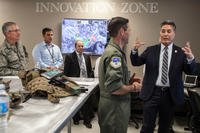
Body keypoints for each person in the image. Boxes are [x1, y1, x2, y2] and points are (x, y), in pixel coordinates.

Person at [130, 20, 196, 133]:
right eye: (163, 31)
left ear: (174, 34)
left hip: (169, 95)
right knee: (147, 127)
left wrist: (190, 59)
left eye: (169, 31)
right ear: (160, 33)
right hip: (152, 93)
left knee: (165, 128)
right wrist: (135, 50)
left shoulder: (180, 52)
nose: (166, 34)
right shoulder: (151, 50)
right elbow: (136, 62)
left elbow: (190, 71)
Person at [98, 17, 142, 133]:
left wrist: (128, 81)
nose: (130, 34)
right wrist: (134, 87)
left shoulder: (112, 50)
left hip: (112, 108)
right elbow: (115, 88)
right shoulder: (115, 55)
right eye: (129, 31)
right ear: (122, 32)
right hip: (115, 110)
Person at [63, 40, 94, 128]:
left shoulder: (87, 56)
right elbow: (66, 72)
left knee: (87, 101)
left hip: (86, 82)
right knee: (75, 101)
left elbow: (90, 70)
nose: (81, 48)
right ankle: (76, 118)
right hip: (75, 83)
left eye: (82, 46)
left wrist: (91, 80)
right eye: (79, 46)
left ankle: (87, 121)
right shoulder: (69, 56)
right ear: (75, 47)